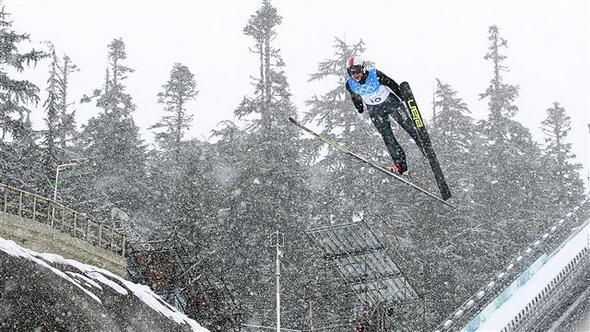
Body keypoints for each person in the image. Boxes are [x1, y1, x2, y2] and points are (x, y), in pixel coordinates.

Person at [345, 55, 422, 175]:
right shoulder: (350, 84)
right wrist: (359, 107)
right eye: (351, 72)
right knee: (387, 136)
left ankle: (424, 148)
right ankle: (401, 166)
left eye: (357, 70)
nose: (355, 75)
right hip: (375, 110)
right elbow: (355, 97)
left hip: (391, 104)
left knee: (409, 127)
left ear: (363, 68)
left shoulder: (375, 74)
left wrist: (403, 97)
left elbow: (391, 84)